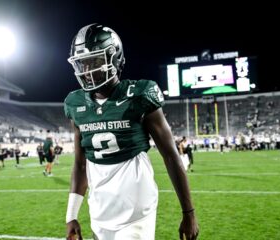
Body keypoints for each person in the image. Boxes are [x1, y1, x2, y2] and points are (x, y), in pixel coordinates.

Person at [64, 23, 199, 240]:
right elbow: (80, 165)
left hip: (136, 213)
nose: (88, 71)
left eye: (94, 61)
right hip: (99, 212)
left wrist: (189, 213)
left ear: (115, 58)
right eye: (83, 63)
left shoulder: (139, 95)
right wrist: (71, 215)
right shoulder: (76, 104)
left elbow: (171, 157)